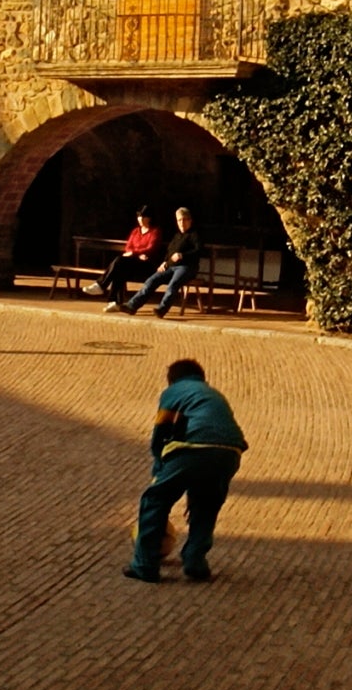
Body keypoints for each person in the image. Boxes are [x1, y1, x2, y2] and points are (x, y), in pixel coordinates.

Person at [124, 358, 247, 584]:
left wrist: (159, 470)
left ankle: (145, 565)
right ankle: (195, 561)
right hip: (230, 452)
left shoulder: (173, 392)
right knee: (206, 505)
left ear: (172, 379)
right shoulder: (213, 394)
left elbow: (160, 434)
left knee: (155, 500)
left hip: (195, 448)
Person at [118, 206, 202, 318]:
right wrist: (164, 262)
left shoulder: (195, 234)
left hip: (186, 267)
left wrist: (182, 255)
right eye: (179, 220)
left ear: (190, 220)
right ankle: (132, 306)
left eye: (184, 220)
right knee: (152, 280)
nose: (182, 223)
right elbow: (170, 252)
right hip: (170, 266)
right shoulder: (177, 235)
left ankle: (162, 309)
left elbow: (199, 250)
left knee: (173, 284)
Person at [97, 208, 166, 308]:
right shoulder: (135, 231)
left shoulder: (155, 231)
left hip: (146, 265)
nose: (140, 219)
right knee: (120, 266)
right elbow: (128, 247)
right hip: (133, 263)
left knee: (119, 262)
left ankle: (103, 287)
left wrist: (134, 252)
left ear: (149, 218)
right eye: (139, 216)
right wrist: (137, 254)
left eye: (143, 217)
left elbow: (151, 248)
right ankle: (114, 302)